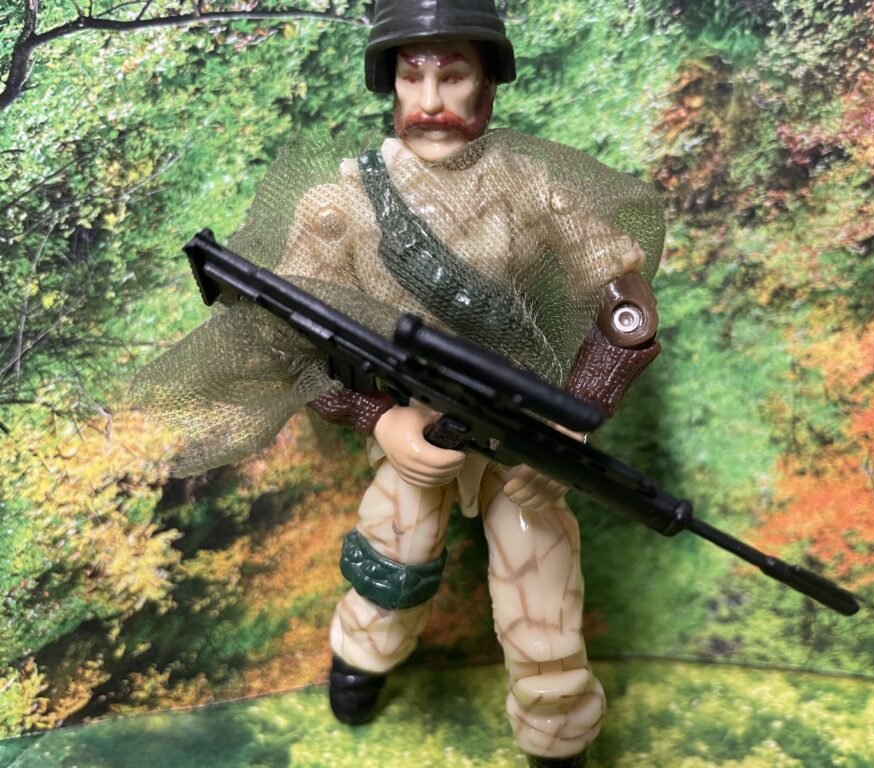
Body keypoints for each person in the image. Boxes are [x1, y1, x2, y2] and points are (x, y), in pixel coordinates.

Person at [136, 2, 664, 765]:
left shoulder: (531, 187)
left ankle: (556, 730)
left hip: (521, 420)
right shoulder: (342, 205)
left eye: (454, 75)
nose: (431, 99)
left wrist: (572, 418)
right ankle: (360, 657)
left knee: (542, 593)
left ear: (488, 85)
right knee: (394, 552)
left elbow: (626, 312)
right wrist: (378, 419)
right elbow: (295, 346)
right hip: (411, 416)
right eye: (413, 77)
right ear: (389, 84)